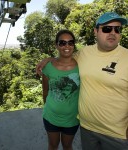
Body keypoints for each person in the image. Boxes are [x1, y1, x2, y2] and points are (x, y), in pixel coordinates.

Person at [36, 12, 128, 150]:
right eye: (107, 29)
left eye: (117, 29)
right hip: (87, 129)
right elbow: (65, 57)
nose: (113, 33)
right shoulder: (84, 53)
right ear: (96, 31)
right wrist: (49, 60)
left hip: (116, 134)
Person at [42, 29, 80, 150]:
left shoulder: (82, 65)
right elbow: (45, 92)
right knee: (52, 145)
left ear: (74, 45)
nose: (67, 46)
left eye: (70, 42)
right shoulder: (47, 67)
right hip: (50, 117)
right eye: (62, 43)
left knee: (67, 146)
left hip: (72, 119)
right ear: (56, 45)